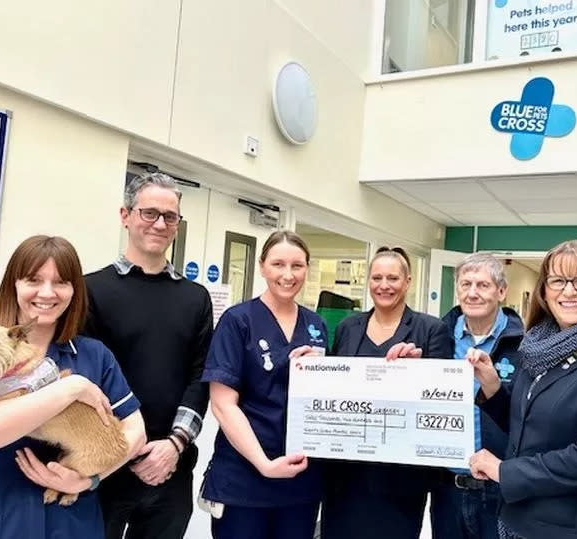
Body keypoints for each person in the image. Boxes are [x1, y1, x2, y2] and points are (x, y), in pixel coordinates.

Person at [0, 235, 146, 539]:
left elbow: (134, 434)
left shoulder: (94, 355)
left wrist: (88, 481)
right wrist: (68, 390)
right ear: (13, 285)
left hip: (70, 524)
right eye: (33, 279)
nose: (47, 292)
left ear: (74, 290)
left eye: (61, 282)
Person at [469, 240, 577, 539]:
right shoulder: (535, 347)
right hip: (516, 518)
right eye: (558, 280)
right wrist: (493, 388)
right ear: (544, 290)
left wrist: (504, 472)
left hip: (567, 528)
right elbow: (529, 427)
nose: (568, 291)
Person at [85, 172, 213, 539]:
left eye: (169, 217)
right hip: (104, 468)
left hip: (171, 468)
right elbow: (84, 380)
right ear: (125, 215)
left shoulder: (195, 298)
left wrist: (174, 445)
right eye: (149, 213)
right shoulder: (90, 290)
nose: (160, 224)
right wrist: (127, 449)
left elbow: (200, 377)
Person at [201, 230, 328, 539]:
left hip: (300, 480)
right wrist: (264, 463)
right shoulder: (238, 320)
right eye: (278, 264)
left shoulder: (316, 326)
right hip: (245, 478)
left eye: (297, 266)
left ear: (307, 269)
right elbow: (222, 403)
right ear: (261, 266)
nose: (288, 275)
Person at [322, 246, 453, 539]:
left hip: (400, 478)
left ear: (408, 282)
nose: (384, 285)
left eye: (392, 278)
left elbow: (441, 400)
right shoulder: (347, 327)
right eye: (377, 277)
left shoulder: (431, 330)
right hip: (345, 474)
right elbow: (333, 387)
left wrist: (417, 372)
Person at [431, 252, 524, 539]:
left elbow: (526, 417)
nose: (472, 293)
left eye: (482, 285)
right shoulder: (437, 337)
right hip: (447, 489)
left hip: (499, 491)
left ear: (501, 291)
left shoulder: (524, 345)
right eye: (465, 284)